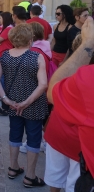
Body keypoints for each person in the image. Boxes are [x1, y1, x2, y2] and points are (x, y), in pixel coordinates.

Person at [0, 23, 48, 188]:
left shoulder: (5, 56)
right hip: (33, 104)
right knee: (33, 138)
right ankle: (30, 176)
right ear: (30, 39)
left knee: (14, 135)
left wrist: (5, 99)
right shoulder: (36, 57)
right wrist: (27, 102)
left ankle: (13, 167)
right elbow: (43, 84)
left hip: (13, 104)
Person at [47, 16, 94, 189]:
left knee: (60, 179)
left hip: (74, 144)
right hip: (68, 141)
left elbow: (52, 91)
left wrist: (88, 42)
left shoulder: (85, 78)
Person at [19, 22, 52, 154]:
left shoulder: (35, 52)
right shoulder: (45, 47)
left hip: (34, 91)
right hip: (42, 90)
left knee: (34, 125)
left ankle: (36, 143)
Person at [0, 12, 14, 116]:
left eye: (0, 18)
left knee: (1, 79)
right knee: (0, 78)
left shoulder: (8, 29)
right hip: (0, 55)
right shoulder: (4, 28)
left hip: (3, 56)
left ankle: (5, 105)